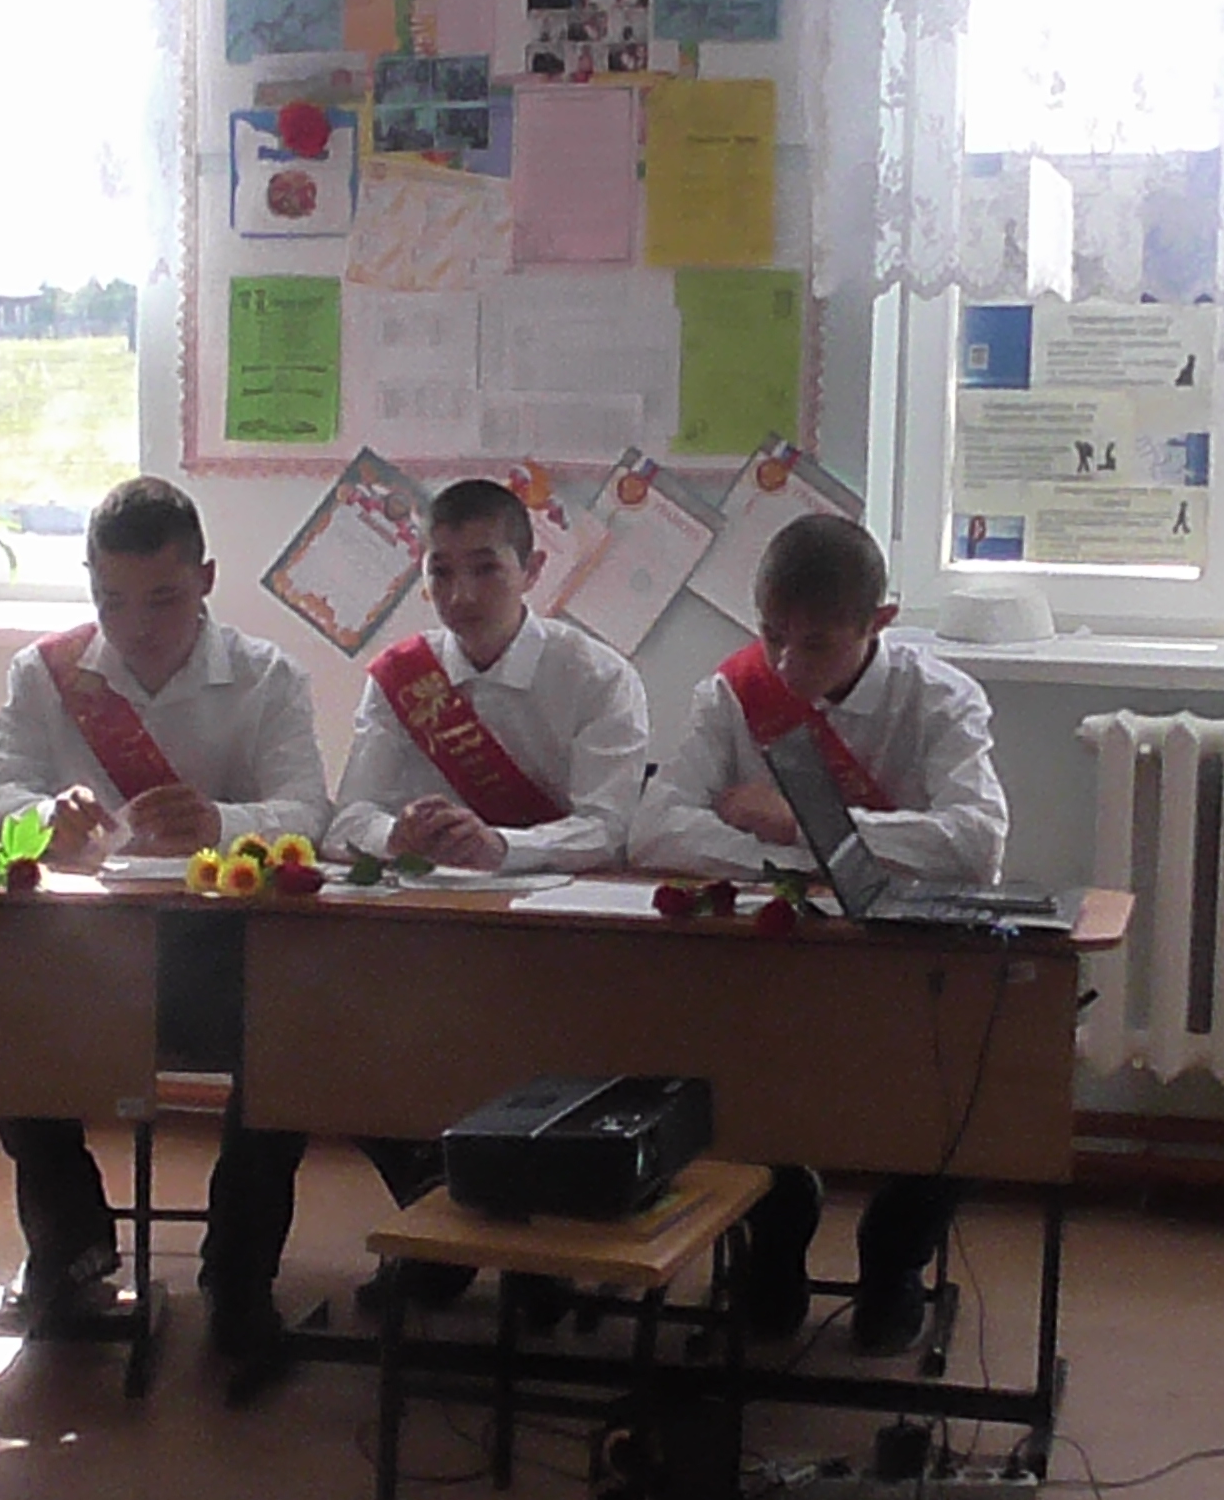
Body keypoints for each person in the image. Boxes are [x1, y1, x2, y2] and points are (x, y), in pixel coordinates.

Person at [0, 476, 329, 1380]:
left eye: (163, 598)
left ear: (205, 579)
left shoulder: (266, 675)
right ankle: (73, 1242)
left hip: (223, 954)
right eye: (111, 600)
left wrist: (221, 823)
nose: (135, 626)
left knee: (288, 1050)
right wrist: (44, 820)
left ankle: (238, 1274)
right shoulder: (45, 674)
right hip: (84, 953)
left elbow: (309, 813)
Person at [633, 512, 1010, 1352]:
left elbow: (974, 844)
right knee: (707, 1064)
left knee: (990, 1078)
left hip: (907, 967)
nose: (785, 665)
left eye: (815, 644)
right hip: (778, 966)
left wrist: (804, 822)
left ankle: (895, 1257)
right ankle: (775, 1241)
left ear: (879, 622)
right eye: (772, 635)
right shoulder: (733, 695)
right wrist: (809, 856)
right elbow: (656, 831)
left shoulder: (940, 699)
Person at [324, 477, 651, 1300]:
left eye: (485, 569)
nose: (461, 596)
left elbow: (612, 830)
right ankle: (446, 1221)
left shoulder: (597, 677)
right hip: (429, 939)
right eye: (440, 572)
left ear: (532, 571)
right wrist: (392, 836)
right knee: (326, 1048)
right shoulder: (402, 679)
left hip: (561, 941)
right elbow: (347, 818)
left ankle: (538, 1244)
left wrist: (503, 847)